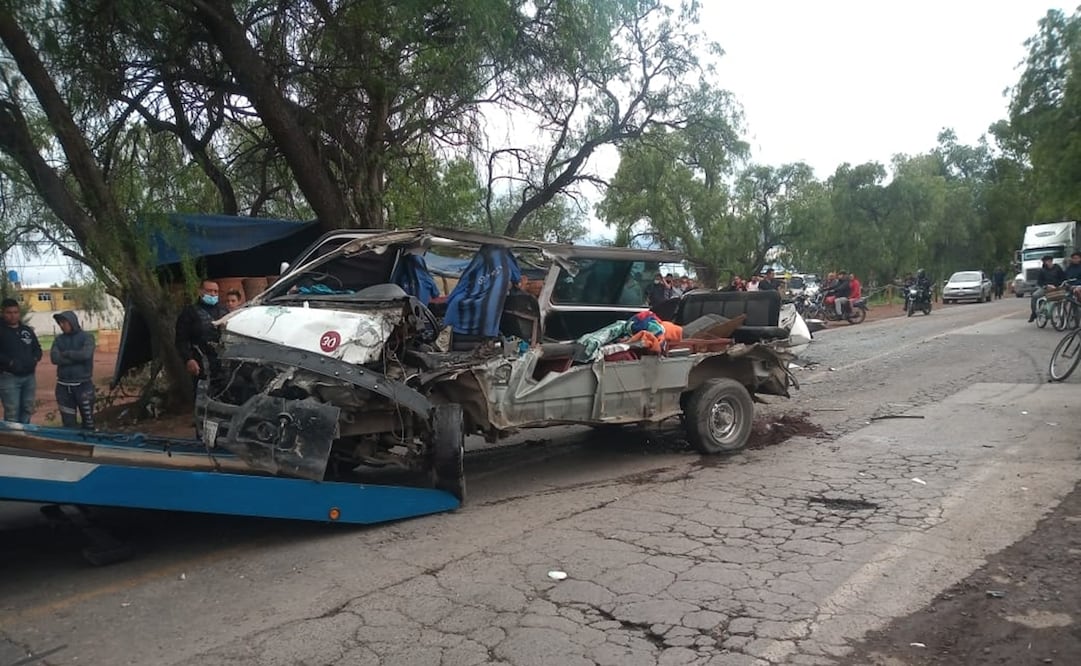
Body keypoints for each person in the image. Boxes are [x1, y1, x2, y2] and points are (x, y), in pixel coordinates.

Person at [175, 280, 229, 398]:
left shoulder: (224, 311)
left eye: (216, 292)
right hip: (201, 362)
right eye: (209, 291)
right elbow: (181, 340)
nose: (213, 294)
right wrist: (188, 359)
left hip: (224, 361)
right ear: (200, 292)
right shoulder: (189, 313)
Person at [50, 311, 96, 429]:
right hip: (63, 387)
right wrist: (76, 358)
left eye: (64, 322)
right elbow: (55, 358)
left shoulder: (87, 337)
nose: (61, 325)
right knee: (68, 423)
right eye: (59, 322)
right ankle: (72, 445)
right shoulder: (58, 339)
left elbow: (86, 355)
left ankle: (89, 444)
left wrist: (66, 354)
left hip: (83, 386)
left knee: (88, 422)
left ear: (72, 322)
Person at [0, 297, 42, 423]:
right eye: (9, 313)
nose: (13, 316)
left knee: (27, 409)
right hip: (8, 377)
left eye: (15, 312)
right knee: (12, 411)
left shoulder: (27, 330)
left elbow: (37, 348)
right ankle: (14, 440)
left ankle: (25, 437)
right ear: (3, 313)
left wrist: (34, 358)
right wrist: (10, 362)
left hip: (29, 377)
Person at [1029, 255, 1066, 322]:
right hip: (1046, 288)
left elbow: (1063, 278)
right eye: (1045, 261)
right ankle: (1034, 313)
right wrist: (1046, 286)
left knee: (1062, 299)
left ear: (1051, 261)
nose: (1046, 263)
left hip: (1057, 288)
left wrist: (1058, 285)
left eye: (1047, 261)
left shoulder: (1057, 268)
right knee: (1035, 296)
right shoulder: (1042, 270)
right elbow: (1039, 282)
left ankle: (1062, 316)